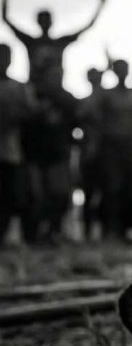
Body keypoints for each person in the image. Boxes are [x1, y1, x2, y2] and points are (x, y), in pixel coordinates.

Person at [1, 0, 106, 89]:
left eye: (47, 19)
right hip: (34, 92)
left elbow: (88, 26)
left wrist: (101, 6)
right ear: (38, 22)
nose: (45, 22)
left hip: (56, 92)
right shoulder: (31, 42)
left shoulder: (60, 42)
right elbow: (6, 19)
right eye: (43, 20)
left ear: (51, 21)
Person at [21, 73, 77, 243]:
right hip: (34, 155)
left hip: (57, 155)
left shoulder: (66, 99)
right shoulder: (31, 95)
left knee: (58, 195)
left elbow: (75, 121)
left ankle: (54, 231)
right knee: (35, 196)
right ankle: (33, 234)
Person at [98, 59, 132, 238]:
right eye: (120, 69)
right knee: (112, 186)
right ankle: (110, 228)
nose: (123, 72)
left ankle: (130, 227)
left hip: (130, 144)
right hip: (110, 144)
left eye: (126, 69)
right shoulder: (106, 95)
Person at [0, 43, 34, 244]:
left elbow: (31, 113)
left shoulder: (19, 88)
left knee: (8, 196)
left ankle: (3, 235)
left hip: (11, 151)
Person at [76, 67, 106, 239]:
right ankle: (87, 231)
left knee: (108, 192)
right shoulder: (86, 102)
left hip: (107, 152)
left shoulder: (107, 99)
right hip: (89, 152)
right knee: (88, 192)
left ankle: (104, 230)